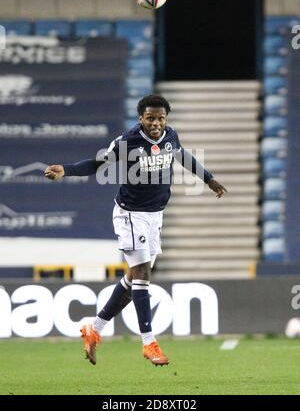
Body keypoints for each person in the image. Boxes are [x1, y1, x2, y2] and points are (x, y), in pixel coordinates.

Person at [44, 94, 227, 367]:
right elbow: (97, 164)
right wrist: (66, 170)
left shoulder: (170, 136)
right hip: (131, 214)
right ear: (141, 118)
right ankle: (149, 343)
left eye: (161, 118)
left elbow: (183, 156)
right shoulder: (127, 142)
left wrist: (209, 179)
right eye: (150, 118)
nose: (156, 123)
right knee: (142, 273)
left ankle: (94, 328)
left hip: (155, 216)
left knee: (132, 282)